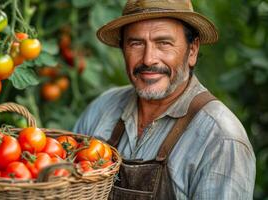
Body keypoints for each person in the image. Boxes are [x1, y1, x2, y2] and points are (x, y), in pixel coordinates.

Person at [73, 0, 256, 199]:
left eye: (163, 43)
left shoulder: (220, 138)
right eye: (136, 43)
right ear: (123, 49)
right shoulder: (102, 108)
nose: (148, 59)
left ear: (192, 50)